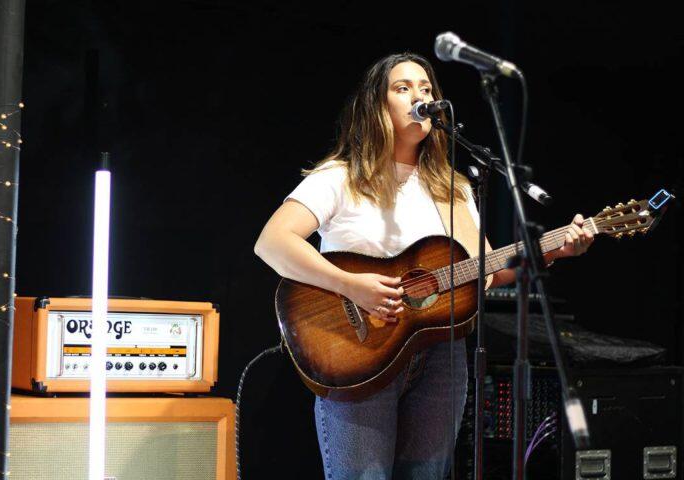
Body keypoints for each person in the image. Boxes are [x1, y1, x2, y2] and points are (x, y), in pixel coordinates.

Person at [254, 52, 593, 480]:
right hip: (360, 351)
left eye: (427, 88)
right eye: (404, 88)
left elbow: (485, 270)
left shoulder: (452, 188)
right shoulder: (340, 177)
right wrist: (351, 285)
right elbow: (272, 243)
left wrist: (555, 248)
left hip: (441, 357)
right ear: (377, 106)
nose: (420, 96)